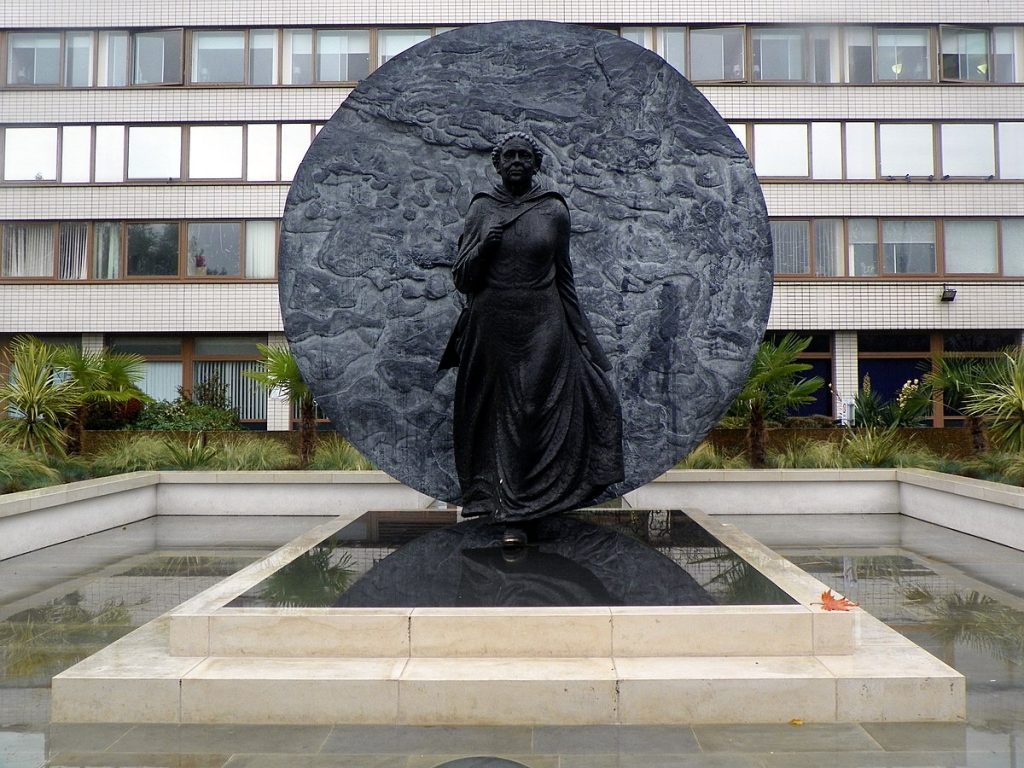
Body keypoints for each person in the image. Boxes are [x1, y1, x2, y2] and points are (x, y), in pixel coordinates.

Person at [439, 132, 624, 523]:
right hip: (492, 323)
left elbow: (565, 278)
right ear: (498, 163)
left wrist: (585, 339)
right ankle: (493, 498)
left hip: (544, 320)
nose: (517, 161)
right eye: (510, 156)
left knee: (530, 406)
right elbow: (461, 278)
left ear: (537, 163)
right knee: (488, 410)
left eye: (525, 155)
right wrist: (483, 247)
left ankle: (528, 501)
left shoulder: (554, 210)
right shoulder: (482, 209)